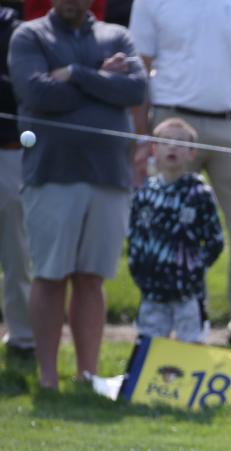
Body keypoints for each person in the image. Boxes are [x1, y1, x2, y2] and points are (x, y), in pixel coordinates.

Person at [9, 0, 147, 389]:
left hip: (109, 176)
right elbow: (37, 94)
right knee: (51, 276)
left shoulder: (116, 36)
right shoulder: (30, 35)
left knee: (92, 279)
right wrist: (103, 82)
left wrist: (73, 74)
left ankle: (88, 376)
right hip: (53, 174)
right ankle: (49, 377)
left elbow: (135, 88)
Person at [129, 0, 231, 345]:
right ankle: (166, 323)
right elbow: (140, 70)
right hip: (171, 124)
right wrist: (140, 140)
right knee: (163, 233)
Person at [127, 118, 224, 343]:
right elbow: (134, 237)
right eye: (166, 141)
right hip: (152, 290)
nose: (172, 146)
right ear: (154, 149)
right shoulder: (144, 194)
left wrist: (194, 269)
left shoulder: (199, 194)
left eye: (180, 143)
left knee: (190, 346)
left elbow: (215, 241)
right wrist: (139, 270)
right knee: (148, 346)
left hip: (187, 292)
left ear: (191, 153)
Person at [0, 4, 34, 359]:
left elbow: (25, 89)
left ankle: (23, 336)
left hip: (9, 152)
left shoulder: (18, 33)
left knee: (16, 251)